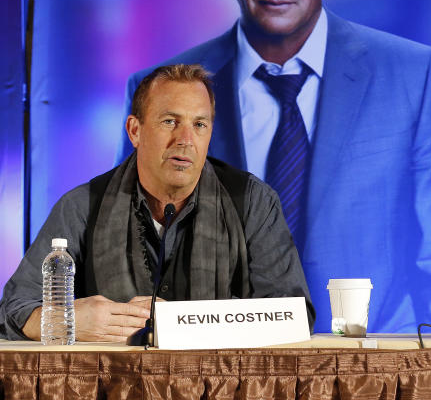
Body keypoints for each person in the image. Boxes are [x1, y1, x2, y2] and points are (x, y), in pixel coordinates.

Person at [117, 0, 431, 333]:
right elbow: (131, 247)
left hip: (374, 364)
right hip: (215, 365)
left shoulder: (413, 74)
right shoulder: (158, 88)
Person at [0, 65, 313, 341]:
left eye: (199, 125)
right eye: (169, 121)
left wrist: (187, 324)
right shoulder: (83, 205)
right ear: (135, 131)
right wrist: (63, 319)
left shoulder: (252, 201)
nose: (185, 139)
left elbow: (294, 315)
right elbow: (13, 309)